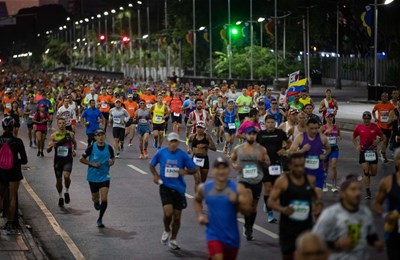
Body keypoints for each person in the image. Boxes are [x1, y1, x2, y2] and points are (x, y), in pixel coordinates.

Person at [194, 157, 253, 260]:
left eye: (224, 168)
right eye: (218, 168)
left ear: (228, 170)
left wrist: (236, 201)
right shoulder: (205, 188)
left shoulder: (238, 188)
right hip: (213, 234)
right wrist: (200, 215)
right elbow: (197, 200)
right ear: (213, 171)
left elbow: (248, 212)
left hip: (232, 237)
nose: (221, 171)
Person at [313, 174, 384, 260]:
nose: (358, 193)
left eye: (359, 189)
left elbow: (371, 234)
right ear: (342, 193)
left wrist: (375, 242)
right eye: (353, 189)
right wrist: (337, 244)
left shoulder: (365, 212)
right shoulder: (330, 215)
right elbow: (314, 241)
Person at [268, 153, 321, 260]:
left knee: (306, 255)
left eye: (302, 165)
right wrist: (283, 209)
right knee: (288, 256)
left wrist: (317, 208)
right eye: (297, 166)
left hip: (306, 226)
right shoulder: (282, 181)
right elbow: (270, 202)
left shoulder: (310, 180)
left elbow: (316, 200)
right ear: (290, 166)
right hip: (288, 228)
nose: (300, 169)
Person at [149, 132, 197, 250]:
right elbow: (151, 165)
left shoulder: (183, 155)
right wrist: (155, 175)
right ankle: (166, 229)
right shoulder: (161, 153)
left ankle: (173, 239)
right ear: (168, 142)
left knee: (176, 217)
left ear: (178, 143)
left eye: (175, 141)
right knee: (168, 213)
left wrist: (185, 172)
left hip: (179, 189)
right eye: (171, 141)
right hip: (165, 187)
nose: (173, 144)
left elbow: (194, 169)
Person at [231, 126, 270, 241]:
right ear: (245, 135)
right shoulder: (238, 149)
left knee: (253, 208)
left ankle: (249, 227)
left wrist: (262, 161)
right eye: (249, 134)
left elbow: (268, 163)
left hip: (256, 179)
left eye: (254, 134)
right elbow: (232, 159)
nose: (252, 136)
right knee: (246, 202)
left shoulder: (262, 149)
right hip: (243, 179)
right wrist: (235, 166)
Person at [257, 115, 291, 223]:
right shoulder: (261, 134)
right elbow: (256, 147)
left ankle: (269, 203)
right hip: (265, 165)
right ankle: (270, 213)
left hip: (276, 164)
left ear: (275, 123)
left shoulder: (280, 133)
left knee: (277, 188)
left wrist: (284, 149)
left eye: (272, 122)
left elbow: (289, 142)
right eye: (268, 122)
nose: (270, 124)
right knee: (268, 188)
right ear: (265, 123)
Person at [80, 129, 115, 228]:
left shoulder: (109, 147)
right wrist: (92, 164)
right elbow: (81, 159)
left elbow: (113, 158)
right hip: (93, 176)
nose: (101, 137)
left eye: (102, 135)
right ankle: (95, 201)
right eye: (98, 135)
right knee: (95, 198)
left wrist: (112, 162)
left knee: (104, 199)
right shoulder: (91, 147)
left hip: (105, 176)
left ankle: (100, 219)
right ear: (95, 137)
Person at [289, 118, 330, 197]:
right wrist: (302, 150)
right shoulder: (300, 137)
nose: (314, 131)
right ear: (307, 127)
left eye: (316, 128)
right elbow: (290, 153)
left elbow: (328, 148)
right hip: (303, 172)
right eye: (311, 128)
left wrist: (324, 155)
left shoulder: (322, 138)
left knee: (317, 197)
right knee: (304, 197)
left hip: (318, 171)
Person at [0, 117, 28, 232]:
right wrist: (14, 162)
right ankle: (11, 223)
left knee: (0, 196)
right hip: (14, 172)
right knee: (12, 197)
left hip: (0, 172)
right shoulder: (18, 141)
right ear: (13, 128)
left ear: (3, 127)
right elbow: (24, 160)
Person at [373, 147, 400, 260]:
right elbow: (377, 204)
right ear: (397, 160)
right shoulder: (387, 182)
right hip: (394, 233)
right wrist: (386, 215)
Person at [352, 111, 385, 199]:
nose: (366, 120)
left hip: (372, 152)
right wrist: (357, 146)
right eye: (365, 118)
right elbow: (354, 137)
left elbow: (383, 137)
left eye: (368, 118)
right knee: (366, 172)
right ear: (363, 118)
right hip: (363, 151)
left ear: (370, 119)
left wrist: (378, 141)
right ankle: (368, 191)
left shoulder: (375, 127)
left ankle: (366, 177)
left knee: (373, 173)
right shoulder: (359, 127)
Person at [47, 118, 77, 207]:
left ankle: (67, 191)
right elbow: (48, 150)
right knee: (59, 181)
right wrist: (50, 147)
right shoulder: (54, 136)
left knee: (66, 176)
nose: (62, 125)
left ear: (65, 124)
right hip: (58, 161)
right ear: (57, 125)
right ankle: (60, 197)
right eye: (59, 123)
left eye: (63, 123)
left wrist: (74, 150)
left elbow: (74, 143)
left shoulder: (70, 134)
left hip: (68, 160)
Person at [188, 121, 217, 191]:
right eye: (198, 127)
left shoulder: (207, 137)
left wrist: (206, 145)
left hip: (204, 159)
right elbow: (189, 142)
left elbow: (214, 148)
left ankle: (200, 195)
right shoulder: (192, 136)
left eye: (201, 128)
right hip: (195, 159)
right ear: (196, 128)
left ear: (204, 129)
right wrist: (189, 148)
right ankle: (197, 197)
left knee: (202, 182)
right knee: (197, 180)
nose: (199, 129)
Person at [372, 92, 395, 163]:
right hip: (380, 126)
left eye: (387, 97)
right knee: (384, 139)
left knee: (386, 141)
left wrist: (392, 118)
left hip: (389, 126)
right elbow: (373, 111)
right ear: (381, 97)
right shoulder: (378, 105)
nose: (385, 98)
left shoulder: (391, 106)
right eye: (384, 97)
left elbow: (394, 113)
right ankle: (382, 153)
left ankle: (381, 150)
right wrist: (375, 118)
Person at [321, 112, 341, 192]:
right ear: (325, 118)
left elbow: (338, 135)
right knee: (325, 168)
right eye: (328, 117)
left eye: (331, 117)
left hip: (334, 148)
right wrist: (325, 134)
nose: (329, 118)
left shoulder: (336, 127)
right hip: (325, 149)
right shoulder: (323, 127)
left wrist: (339, 137)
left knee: (333, 166)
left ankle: (334, 184)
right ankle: (324, 183)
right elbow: (318, 137)